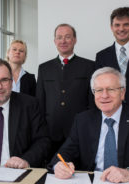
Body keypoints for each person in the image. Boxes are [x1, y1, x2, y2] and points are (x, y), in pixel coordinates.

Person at [49, 67, 129, 183]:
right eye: (99, 90)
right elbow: (61, 155)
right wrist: (59, 166)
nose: (104, 95)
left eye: (111, 89)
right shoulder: (83, 120)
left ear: (122, 93)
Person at [36, 23, 95, 161]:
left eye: (68, 37)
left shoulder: (89, 66)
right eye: (59, 37)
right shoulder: (44, 68)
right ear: (54, 41)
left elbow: (92, 102)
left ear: (75, 40)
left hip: (79, 131)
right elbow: (40, 101)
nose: (63, 41)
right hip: (51, 132)